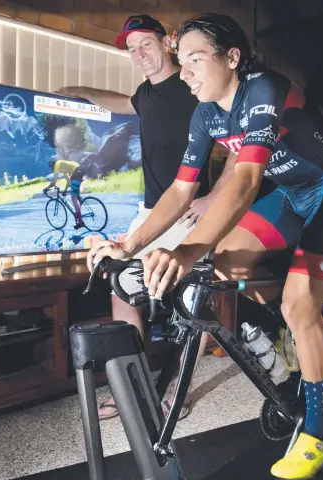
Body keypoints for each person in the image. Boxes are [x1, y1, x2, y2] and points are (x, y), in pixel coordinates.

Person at [87, 13, 323, 480]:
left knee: (298, 304)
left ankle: (319, 431)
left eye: (196, 59)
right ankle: (307, 317)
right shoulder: (207, 113)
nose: (186, 73)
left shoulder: (263, 89)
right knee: (223, 266)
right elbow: (180, 193)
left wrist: (184, 251)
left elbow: (244, 183)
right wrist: (128, 243)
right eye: (183, 62)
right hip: (293, 197)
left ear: (232, 57)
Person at [58, 14, 238, 420]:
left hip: (190, 211)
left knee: (187, 307)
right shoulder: (145, 95)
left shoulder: (195, 86)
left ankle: (176, 389)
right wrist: (80, 92)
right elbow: (123, 103)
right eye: (132, 48)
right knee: (120, 284)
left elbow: (237, 147)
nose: (140, 53)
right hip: (152, 211)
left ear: (165, 43)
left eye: (146, 44)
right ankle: (131, 385)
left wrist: (212, 197)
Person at [44, 157, 85, 229]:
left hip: (76, 172)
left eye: (51, 167)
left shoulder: (57, 164)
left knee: (73, 198)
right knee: (74, 190)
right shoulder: (63, 166)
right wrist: (65, 190)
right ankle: (79, 205)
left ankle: (80, 222)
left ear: (53, 164)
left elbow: (54, 181)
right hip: (79, 170)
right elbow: (69, 182)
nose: (52, 169)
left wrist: (46, 188)